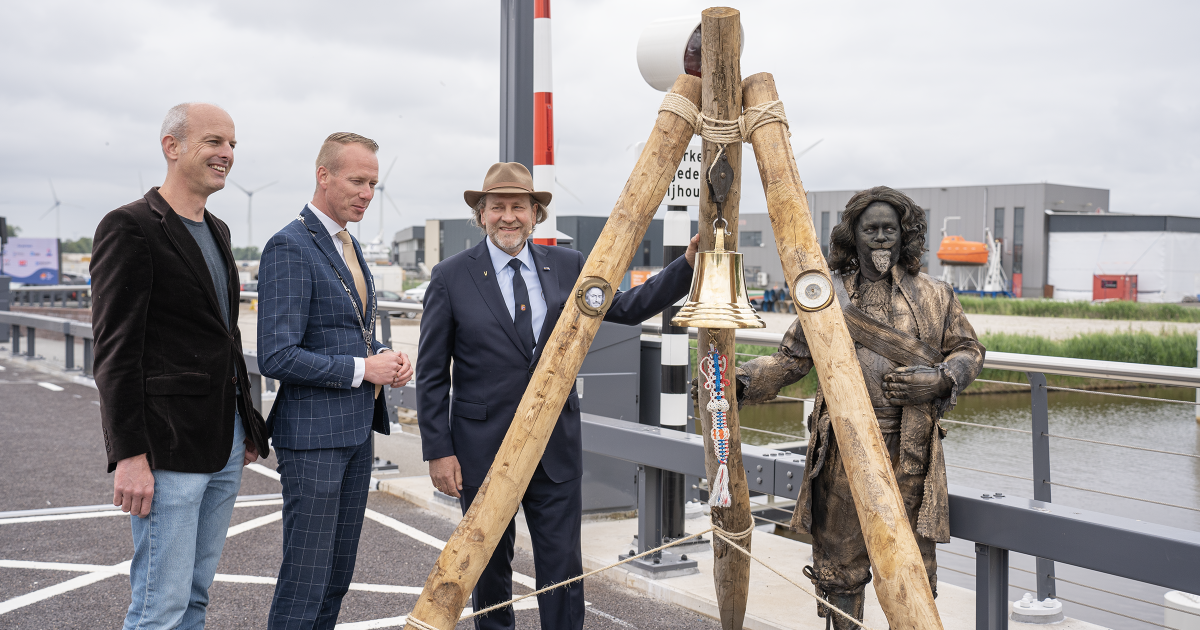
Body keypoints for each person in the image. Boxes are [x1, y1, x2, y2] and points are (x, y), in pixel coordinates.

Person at [417, 162, 699, 630]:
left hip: (555, 447)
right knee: (487, 567)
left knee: (563, 569)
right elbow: (430, 373)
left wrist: (687, 264)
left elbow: (627, 308)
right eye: (498, 207)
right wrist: (438, 451)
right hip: (480, 451)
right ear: (481, 214)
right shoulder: (450, 276)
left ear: (535, 214)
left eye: (519, 207)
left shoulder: (568, 266)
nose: (508, 217)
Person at [735, 186, 984, 628]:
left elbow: (968, 349)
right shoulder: (824, 295)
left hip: (913, 455)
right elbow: (792, 358)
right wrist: (740, 382)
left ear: (905, 235)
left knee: (913, 572)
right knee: (840, 573)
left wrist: (941, 378)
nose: (882, 238)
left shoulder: (937, 294)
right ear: (854, 235)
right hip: (843, 458)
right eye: (872, 229)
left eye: (891, 228)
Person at [91, 102, 269, 630]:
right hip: (167, 449)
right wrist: (128, 454)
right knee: (159, 603)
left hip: (225, 440)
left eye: (233, 144)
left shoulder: (218, 230)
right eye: (214, 141)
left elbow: (224, 338)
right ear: (172, 147)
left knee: (194, 596)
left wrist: (247, 421)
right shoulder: (130, 226)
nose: (227, 154)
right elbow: (115, 352)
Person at [257, 132, 413, 629]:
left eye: (373, 183)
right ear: (323, 175)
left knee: (336, 578)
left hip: (354, 431)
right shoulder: (290, 245)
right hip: (313, 439)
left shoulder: (345, 242)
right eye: (357, 180)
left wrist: (383, 356)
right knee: (305, 580)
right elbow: (276, 355)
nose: (367, 192)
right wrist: (362, 370)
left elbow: (348, 332)